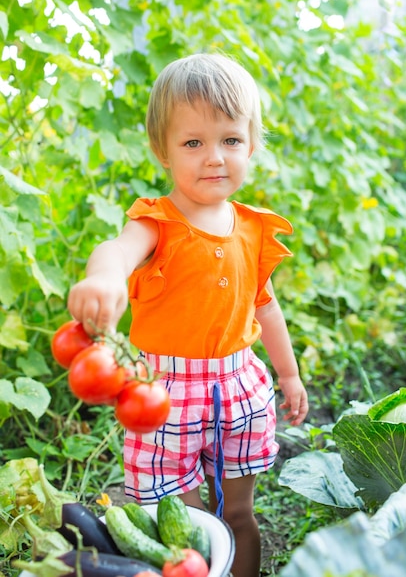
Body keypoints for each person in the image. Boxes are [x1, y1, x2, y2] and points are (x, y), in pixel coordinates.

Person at [68, 53, 308, 577]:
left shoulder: (251, 228)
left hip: (239, 386)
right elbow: (117, 250)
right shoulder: (157, 223)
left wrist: (287, 374)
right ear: (163, 150)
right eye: (193, 142)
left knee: (237, 512)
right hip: (163, 397)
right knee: (183, 520)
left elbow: (264, 306)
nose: (214, 157)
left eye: (231, 140)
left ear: (252, 144)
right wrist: (104, 278)